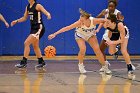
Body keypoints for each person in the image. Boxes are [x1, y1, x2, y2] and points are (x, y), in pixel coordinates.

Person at [48, 8, 111, 74]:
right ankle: (80, 65)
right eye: (80, 19)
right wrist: (54, 34)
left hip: (90, 35)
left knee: (97, 50)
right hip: (80, 36)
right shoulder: (79, 23)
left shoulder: (94, 21)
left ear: (87, 19)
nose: (80, 21)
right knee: (83, 49)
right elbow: (67, 28)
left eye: (82, 20)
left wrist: (107, 25)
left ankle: (104, 66)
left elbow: (105, 20)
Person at [11, 0, 51, 68]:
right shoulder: (28, 7)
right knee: (35, 46)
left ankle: (24, 62)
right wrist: (16, 21)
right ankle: (41, 62)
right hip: (33, 29)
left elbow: (46, 12)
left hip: (39, 28)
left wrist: (48, 15)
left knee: (26, 43)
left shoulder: (38, 5)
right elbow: (24, 18)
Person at [95, 0, 124, 72]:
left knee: (111, 51)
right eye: (109, 6)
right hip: (108, 31)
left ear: (115, 7)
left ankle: (117, 48)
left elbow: (121, 21)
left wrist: (120, 19)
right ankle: (105, 65)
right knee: (100, 49)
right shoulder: (105, 11)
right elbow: (97, 18)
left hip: (116, 32)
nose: (110, 8)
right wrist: (102, 14)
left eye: (112, 6)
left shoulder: (118, 13)